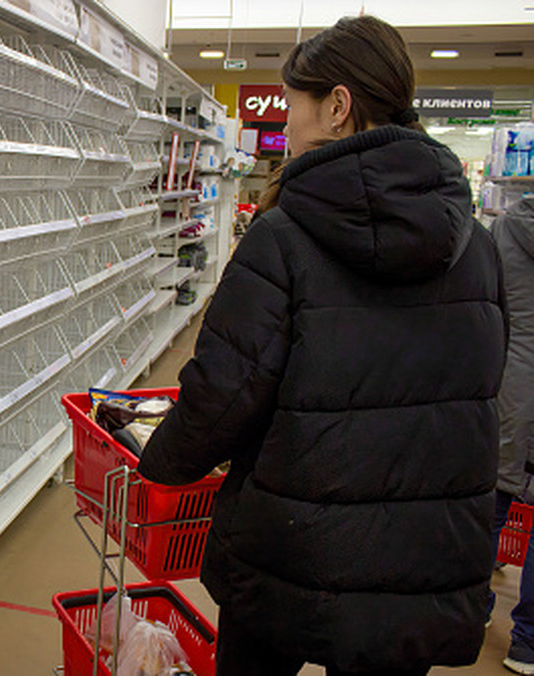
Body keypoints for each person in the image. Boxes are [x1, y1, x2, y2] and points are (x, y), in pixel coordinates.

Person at [137, 15, 508, 676]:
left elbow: (224, 393)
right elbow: (478, 392)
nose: (286, 123)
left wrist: (158, 463)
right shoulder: (475, 248)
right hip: (419, 557)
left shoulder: (281, 238)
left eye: (292, 105)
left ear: (337, 107)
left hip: (290, 545)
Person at [492, 196, 534, 674]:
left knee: (491, 499)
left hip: (509, 383)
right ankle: (528, 642)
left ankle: (471, 610)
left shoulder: (505, 232)